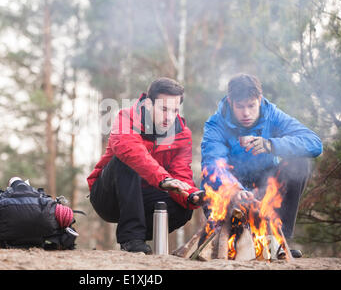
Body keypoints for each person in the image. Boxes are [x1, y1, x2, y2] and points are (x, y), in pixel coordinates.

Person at [200, 74, 322, 258]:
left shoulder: (272, 114)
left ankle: (279, 241)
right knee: (209, 182)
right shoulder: (215, 124)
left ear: (259, 99)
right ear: (230, 101)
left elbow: (314, 143)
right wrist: (233, 189)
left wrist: (272, 145)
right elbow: (213, 164)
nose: (246, 113)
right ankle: (234, 241)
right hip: (230, 189)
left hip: (265, 185)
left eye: (251, 106)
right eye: (240, 107)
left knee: (300, 163)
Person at [87, 78, 202, 254]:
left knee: (183, 208)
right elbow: (130, 150)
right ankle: (131, 239)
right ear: (149, 104)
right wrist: (163, 179)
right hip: (108, 196)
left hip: (143, 198)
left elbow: (181, 172)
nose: (169, 117)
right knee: (125, 160)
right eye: (164, 109)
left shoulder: (182, 134)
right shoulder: (126, 117)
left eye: (174, 110)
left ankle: (137, 236)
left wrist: (191, 195)